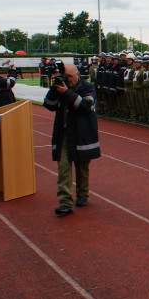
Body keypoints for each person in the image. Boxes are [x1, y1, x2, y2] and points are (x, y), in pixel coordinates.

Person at [43, 61, 101, 217]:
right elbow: (48, 104)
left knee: (82, 168)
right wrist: (55, 89)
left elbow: (86, 106)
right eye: (64, 76)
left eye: (69, 76)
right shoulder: (59, 88)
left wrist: (67, 93)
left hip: (82, 134)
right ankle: (65, 202)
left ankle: (82, 194)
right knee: (63, 168)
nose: (67, 79)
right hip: (64, 134)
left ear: (77, 75)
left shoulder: (87, 87)